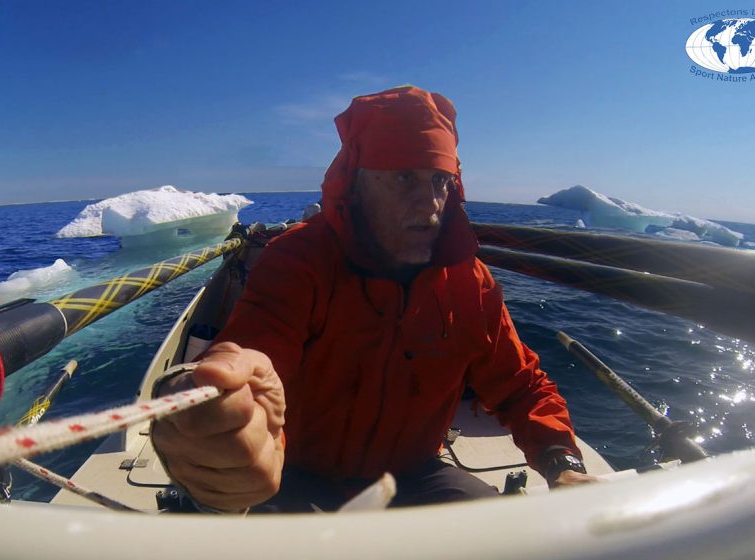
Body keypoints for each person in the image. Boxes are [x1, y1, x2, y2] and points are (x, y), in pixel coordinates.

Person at [151, 86, 597, 513]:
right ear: (357, 185)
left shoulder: (470, 284)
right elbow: (254, 352)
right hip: (292, 472)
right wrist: (216, 409)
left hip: (413, 475)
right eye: (404, 178)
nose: (430, 205)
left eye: (441, 181)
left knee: (500, 544)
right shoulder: (300, 261)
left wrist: (563, 464)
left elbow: (521, 386)